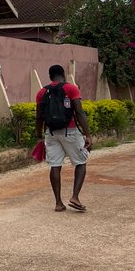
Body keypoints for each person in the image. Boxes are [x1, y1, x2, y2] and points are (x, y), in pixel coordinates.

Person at [35, 64, 92, 212]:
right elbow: (79, 112)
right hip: (70, 131)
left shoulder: (42, 92)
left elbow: (39, 116)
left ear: (50, 77)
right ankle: (75, 197)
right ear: (63, 75)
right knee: (81, 162)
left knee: (55, 165)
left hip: (51, 133)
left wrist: (39, 137)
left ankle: (58, 203)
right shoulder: (71, 88)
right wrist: (88, 134)